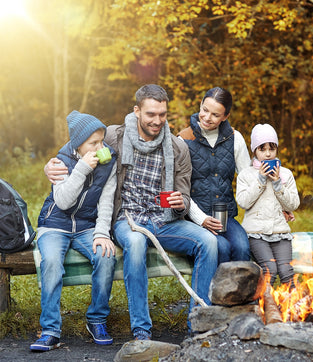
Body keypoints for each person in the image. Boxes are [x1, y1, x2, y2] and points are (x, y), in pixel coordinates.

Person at [45, 85, 218, 341]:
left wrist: (179, 201)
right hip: (127, 219)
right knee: (136, 243)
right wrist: (51, 164)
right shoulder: (115, 135)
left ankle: (198, 325)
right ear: (137, 111)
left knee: (209, 242)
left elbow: (183, 190)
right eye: (150, 114)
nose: (157, 120)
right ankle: (141, 330)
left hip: (164, 220)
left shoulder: (177, 148)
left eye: (162, 114)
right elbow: (79, 143)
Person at [31, 110, 117, 352]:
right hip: (54, 225)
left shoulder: (108, 161)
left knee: (105, 256)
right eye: (93, 143)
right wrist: (81, 169)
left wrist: (102, 233)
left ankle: (97, 319)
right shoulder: (60, 162)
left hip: (86, 226)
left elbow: (107, 201)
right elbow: (64, 202)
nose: (101, 146)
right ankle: (50, 330)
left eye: (102, 141)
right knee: (50, 263)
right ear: (78, 145)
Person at [178, 87, 250, 264]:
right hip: (195, 219)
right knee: (221, 248)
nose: (207, 118)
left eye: (215, 115)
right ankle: (218, 292)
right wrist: (201, 219)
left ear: (225, 116)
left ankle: (240, 292)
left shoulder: (235, 138)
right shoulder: (183, 139)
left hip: (226, 216)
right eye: (205, 110)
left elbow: (249, 179)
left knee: (242, 247)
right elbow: (180, 189)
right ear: (200, 105)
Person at [236, 123, 300, 288]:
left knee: (286, 272)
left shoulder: (285, 174)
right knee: (269, 269)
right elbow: (243, 202)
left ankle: (292, 310)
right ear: (254, 151)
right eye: (262, 149)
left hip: (280, 232)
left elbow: (294, 203)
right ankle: (263, 308)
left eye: (272, 149)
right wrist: (261, 180)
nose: (268, 154)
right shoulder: (246, 175)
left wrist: (278, 184)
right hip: (255, 233)